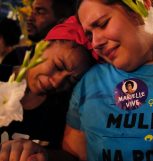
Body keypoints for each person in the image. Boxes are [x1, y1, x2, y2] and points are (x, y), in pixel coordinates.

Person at [1, 1, 153, 161]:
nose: (95, 43)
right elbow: (74, 154)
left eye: (102, 24)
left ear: (136, 11)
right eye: (89, 35)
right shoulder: (90, 81)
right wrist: (44, 155)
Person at [0, 16, 95, 161]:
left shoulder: (66, 107)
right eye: (58, 66)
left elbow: (72, 157)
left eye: (71, 80)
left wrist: (45, 154)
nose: (57, 83)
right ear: (43, 46)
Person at [1, 0, 76, 68]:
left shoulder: (72, 64)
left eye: (40, 12)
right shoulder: (17, 57)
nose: (30, 18)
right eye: (32, 11)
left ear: (62, 22)